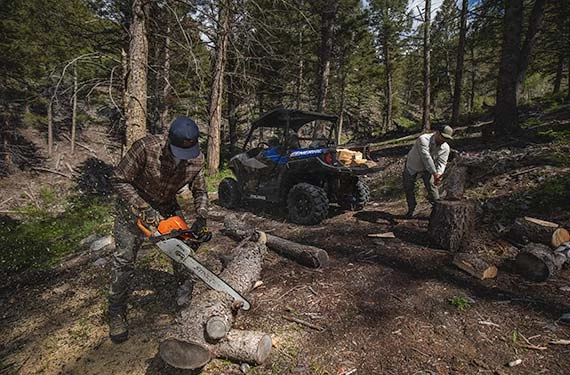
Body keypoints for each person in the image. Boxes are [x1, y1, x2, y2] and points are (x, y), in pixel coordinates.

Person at [108, 116, 209, 343]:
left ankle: (184, 298)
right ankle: (116, 311)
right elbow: (118, 179)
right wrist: (142, 207)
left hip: (166, 205)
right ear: (167, 140)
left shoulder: (196, 159)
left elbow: (200, 192)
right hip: (133, 205)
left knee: (184, 250)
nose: (182, 158)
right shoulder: (146, 147)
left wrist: (201, 216)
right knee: (124, 259)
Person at [403, 125, 453, 218]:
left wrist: (439, 174)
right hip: (413, 165)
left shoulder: (446, 148)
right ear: (437, 133)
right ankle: (412, 209)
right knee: (409, 188)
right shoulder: (423, 139)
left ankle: (438, 210)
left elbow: (442, 162)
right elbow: (426, 158)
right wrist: (434, 173)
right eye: (443, 137)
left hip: (428, 169)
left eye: (446, 138)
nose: (444, 140)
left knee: (432, 187)